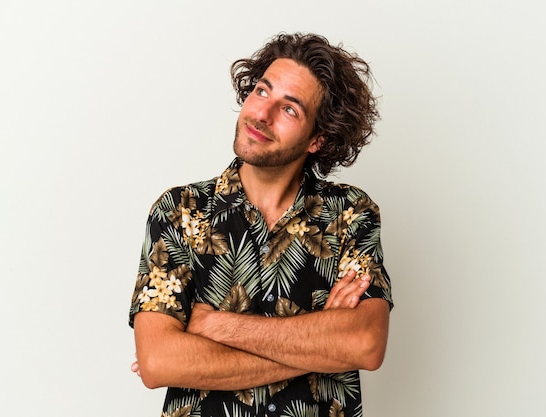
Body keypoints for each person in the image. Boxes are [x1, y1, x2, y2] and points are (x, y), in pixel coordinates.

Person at [129, 32, 393, 417]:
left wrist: (214, 326)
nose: (262, 115)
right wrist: (322, 347)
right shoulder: (179, 211)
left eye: (290, 109)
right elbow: (157, 362)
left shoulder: (350, 214)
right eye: (262, 91)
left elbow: (366, 344)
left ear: (317, 138)